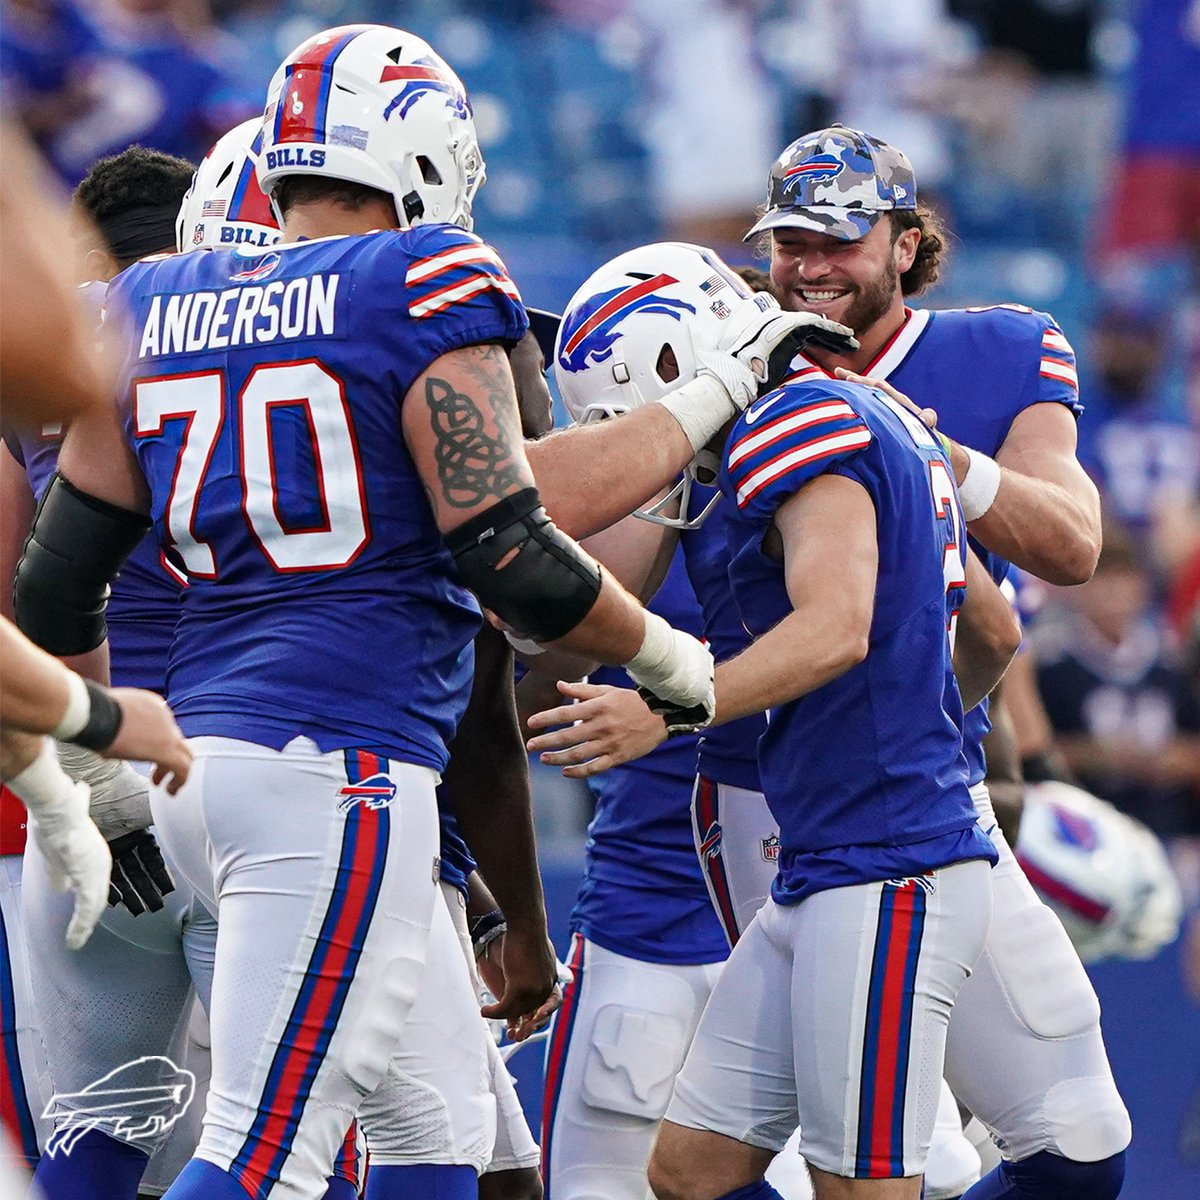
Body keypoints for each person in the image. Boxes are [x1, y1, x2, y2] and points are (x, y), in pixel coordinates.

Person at [14, 23, 832, 1199]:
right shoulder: (425, 280)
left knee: (437, 1131)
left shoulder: (154, 299)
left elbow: (52, 584)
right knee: (265, 1164)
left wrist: (100, 778)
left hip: (188, 768)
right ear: (426, 155)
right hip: (335, 762)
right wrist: (677, 659)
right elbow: (516, 552)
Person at [540, 126, 1131, 1200]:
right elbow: (986, 631)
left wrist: (681, 705)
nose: (810, 263)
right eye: (788, 241)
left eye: (838, 237)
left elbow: (849, 624)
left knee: (879, 1173)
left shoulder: (804, 413)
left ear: (907, 241)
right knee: (688, 1171)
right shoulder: (821, 405)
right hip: (839, 828)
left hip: (875, 839)